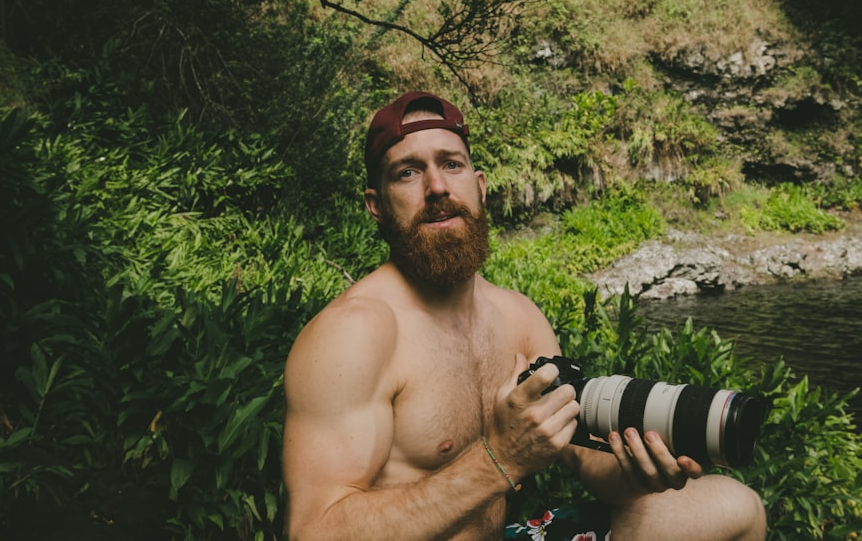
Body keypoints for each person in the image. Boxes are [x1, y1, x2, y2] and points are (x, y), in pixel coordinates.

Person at [282, 91, 767, 540]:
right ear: (377, 206)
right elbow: (313, 531)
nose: (436, 186)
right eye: (407, 172)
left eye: (451, 165)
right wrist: (499, 459)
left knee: (736, 505)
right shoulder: (354, 333)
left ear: (479, 187)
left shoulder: (517, 316)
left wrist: (640, 470)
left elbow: (589, 462)